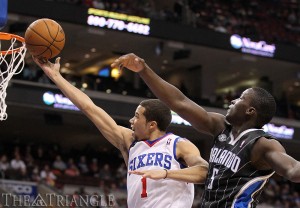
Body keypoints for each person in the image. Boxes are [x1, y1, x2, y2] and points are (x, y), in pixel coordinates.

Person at [111, 53, 300, 208]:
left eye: (240, 99)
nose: (233, 101)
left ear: (250, 111)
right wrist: (144, 70)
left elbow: (293, 170)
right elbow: (180, 103)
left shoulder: (263, 144)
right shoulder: (220, 126)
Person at [32, 56, 208, 208]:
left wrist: (167, 173)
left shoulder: (179, 145)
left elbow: (205, 172)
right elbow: (89, 108)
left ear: (152, 124)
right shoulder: (129, 141)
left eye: (137, 116)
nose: (132, 120)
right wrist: (55, 76)